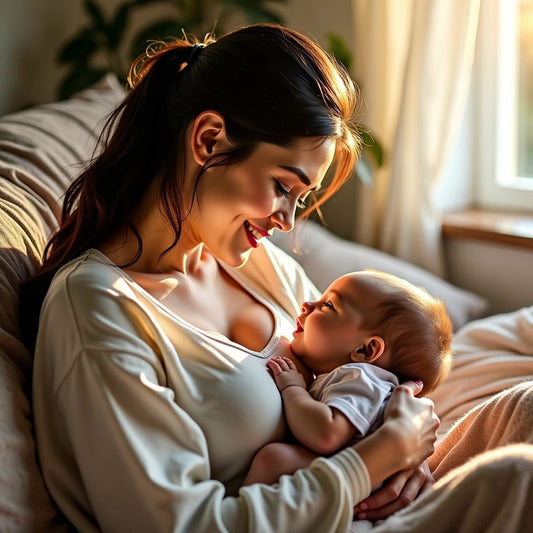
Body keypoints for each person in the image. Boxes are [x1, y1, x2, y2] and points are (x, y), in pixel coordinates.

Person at [25, 23, 533, 533]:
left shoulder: (259, 264)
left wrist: (408, 458)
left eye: (300, 198)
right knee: (517, 477)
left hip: (361, 512)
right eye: (282, 185)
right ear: (208, 140)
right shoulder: (99, 308)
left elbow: (366, 380)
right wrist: (373, 462)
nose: (287, 221)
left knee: (521, 410)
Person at [243, 269, 453, 487]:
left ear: (365, 350)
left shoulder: (361, 378)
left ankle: (240, 517)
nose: (306, 304)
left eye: (328, 305)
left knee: (274, 459)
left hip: (362, 482)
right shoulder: (356, 379)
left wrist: (293, 389)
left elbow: (326, 434)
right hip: (354, 476)